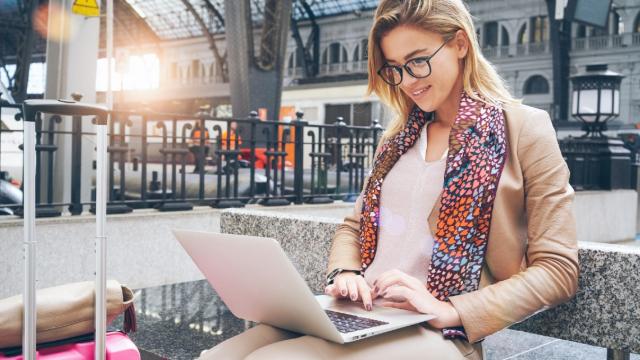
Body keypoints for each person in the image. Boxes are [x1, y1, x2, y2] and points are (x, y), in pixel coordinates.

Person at [199, 0, 578, 358]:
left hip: (436, 332)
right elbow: (355, 226)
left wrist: (451, 309)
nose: (407, 81)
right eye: (395, 68)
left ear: (460, 43)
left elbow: (558, 270)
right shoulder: (397, 139)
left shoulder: (524, 129)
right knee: (219, 354)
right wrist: (346, 272)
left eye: (418, 61)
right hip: (359, 311)